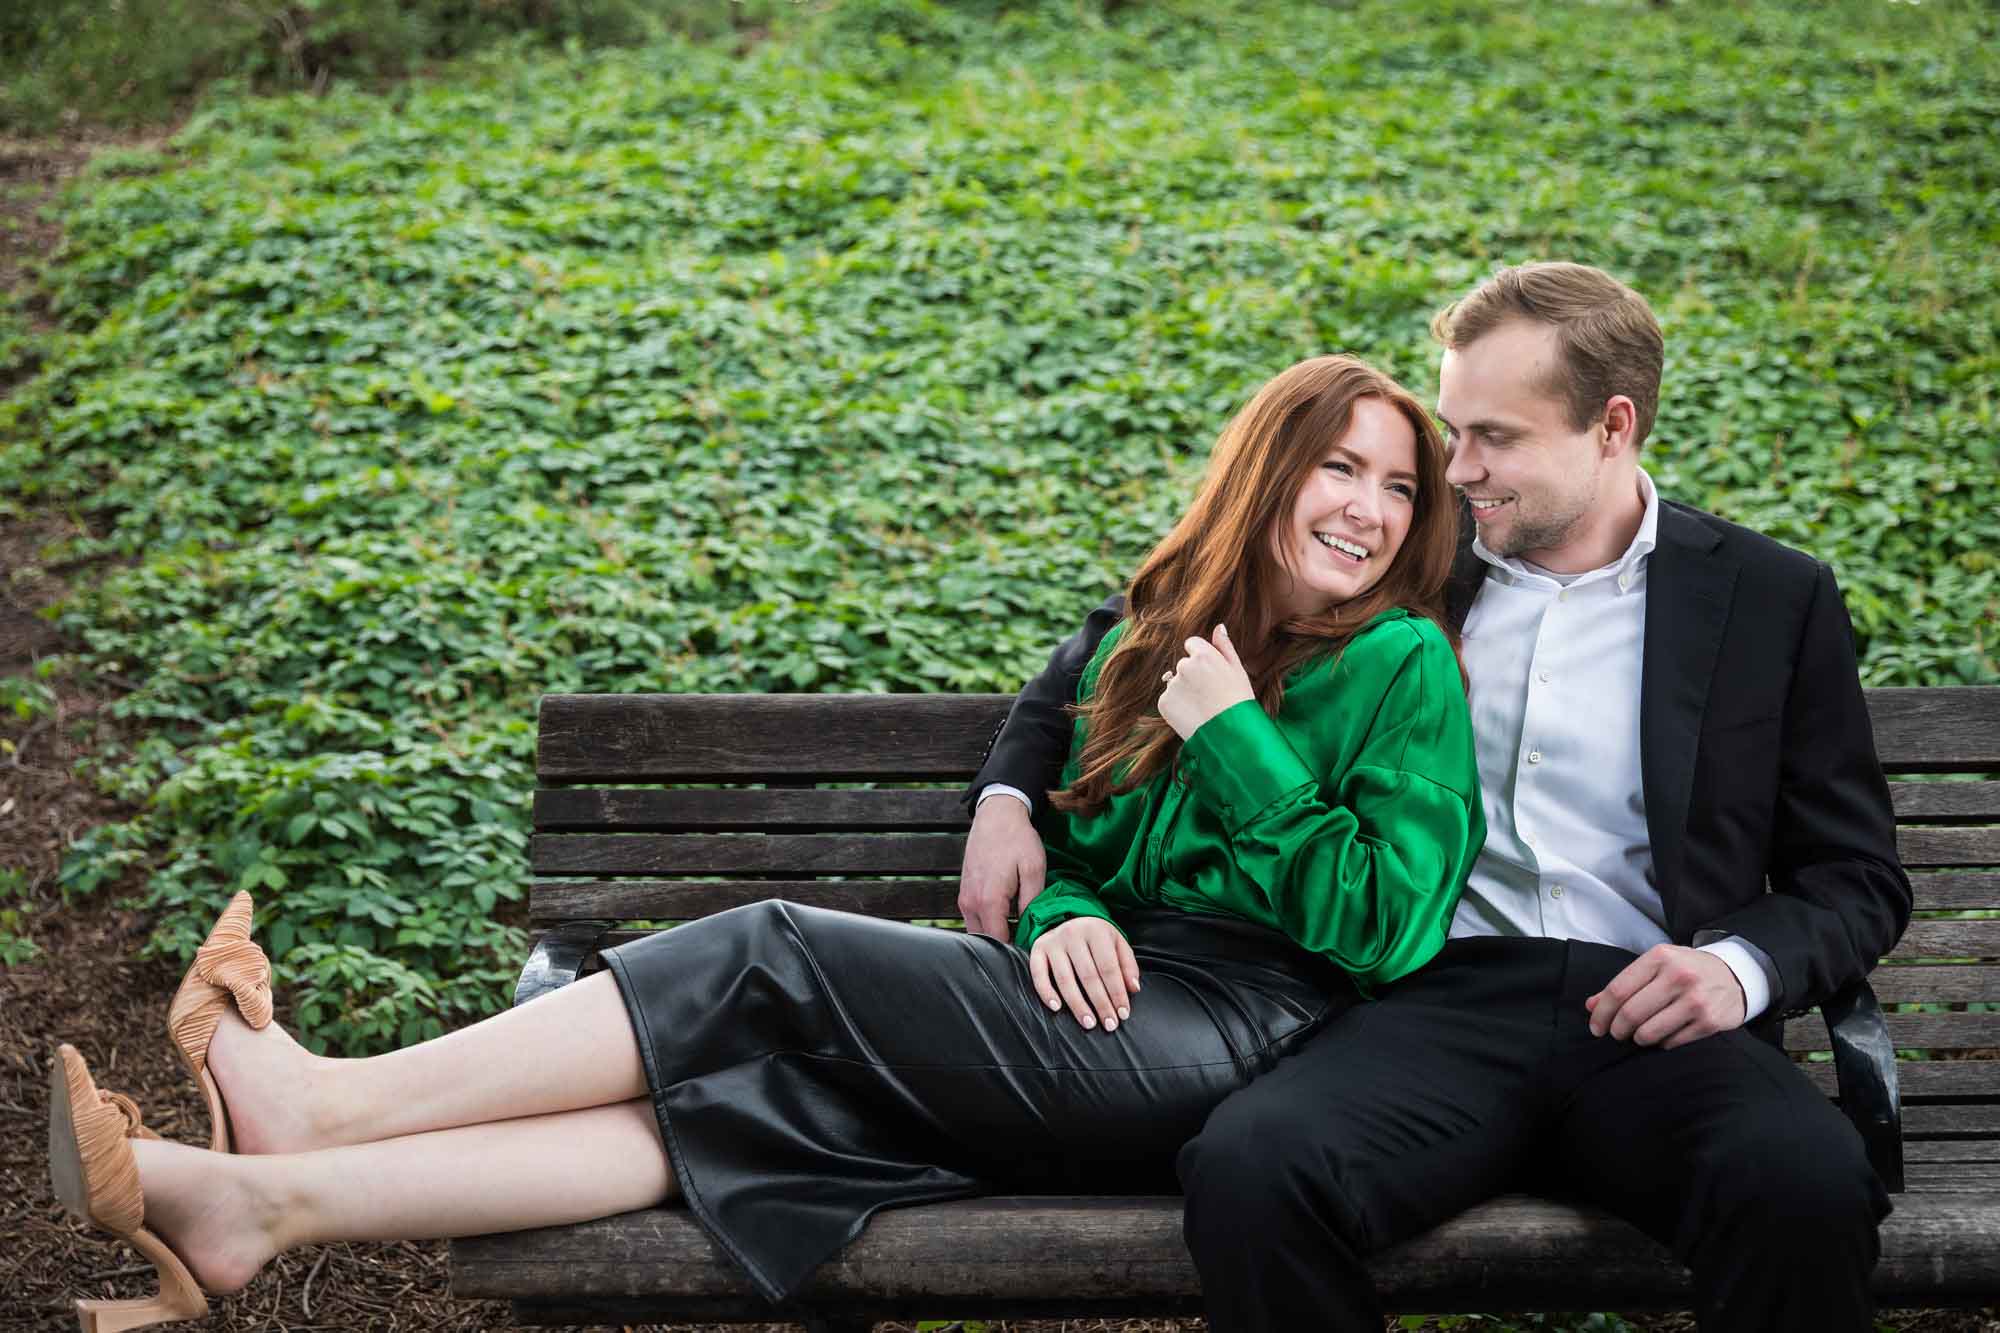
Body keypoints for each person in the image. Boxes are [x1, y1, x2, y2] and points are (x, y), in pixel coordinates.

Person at [48, 354, 1487, 1331]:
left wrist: (1236, 735)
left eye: (1400, 486)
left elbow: (1385, 923)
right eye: (1339, 469)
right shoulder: (1160, 642)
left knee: (770, 955)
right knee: (748, 1103)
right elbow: (1090, 850)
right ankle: (255, 1202)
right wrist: (1064, 915)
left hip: (1234, 1042)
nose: (1367, 508)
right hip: (1108, 1007)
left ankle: (328, 1105)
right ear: (1270, 472)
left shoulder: (1403, 665)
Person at [960, 262, 1912, 1331]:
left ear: (1610, 426)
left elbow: (1854, 879)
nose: (1453, 469)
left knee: (1806, 1187)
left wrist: (1735, 971)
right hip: (1421, 1004)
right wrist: (1004, 796)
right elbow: (1133, 630)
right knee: (1253, 1168)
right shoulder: (1402, 556)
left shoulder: (1767, 597)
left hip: (1655, 1016)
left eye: (1491, 437)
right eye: (1451, 432)